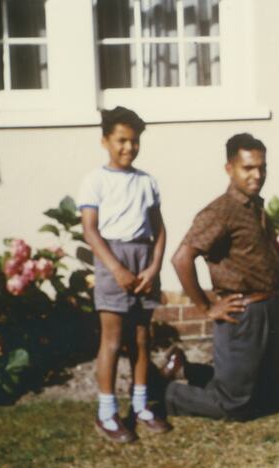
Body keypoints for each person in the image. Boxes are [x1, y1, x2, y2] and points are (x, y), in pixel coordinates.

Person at [165, 133, 279, 420]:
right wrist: (207, 307)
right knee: (234, 406)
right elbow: (181, 258)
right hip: (241, 314)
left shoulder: (256, 207)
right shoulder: (220, 211)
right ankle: (165, 392)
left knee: (265, 395)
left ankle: (189, 370)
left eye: (262, 167)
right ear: (229, 169)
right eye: (248, 168)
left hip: (267, 309)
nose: (257, 175)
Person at [78, 107, 171, 443]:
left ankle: (142, 405)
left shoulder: (147, 181)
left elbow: (159, 229)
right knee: (113, 341)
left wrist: (154, 266)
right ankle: (106, 414)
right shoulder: (95, 181)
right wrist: (116, 268)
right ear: (105, 141)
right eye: (121, 141)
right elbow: (90, 230)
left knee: (142, 339)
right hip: (111, 258)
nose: (128, 148)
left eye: (134, 141)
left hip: (143, 257)